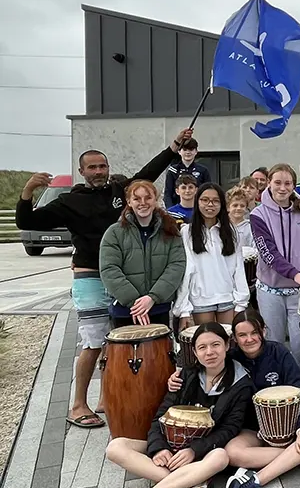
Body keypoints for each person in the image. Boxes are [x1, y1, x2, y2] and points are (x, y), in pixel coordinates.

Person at [16, 127, 191, 428]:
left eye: (103, 166)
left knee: (118, 346)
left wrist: (174, 146)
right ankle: (78, 404)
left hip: (130, 278)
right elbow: (27, 220)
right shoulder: (70, 201)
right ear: (82, 171)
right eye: (92, 167)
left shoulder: (119, 192)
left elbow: (148, 173)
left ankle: (108, 395)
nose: (99, 171)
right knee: (95, 341)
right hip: (92, 276)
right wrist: (28, 191)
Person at [163, 311, 300, 488]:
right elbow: (203, 368)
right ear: (234, 338)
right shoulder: (229, 358)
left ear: (263, 331)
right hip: (253, 428)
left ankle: (257, 479)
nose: (249, 339)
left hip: (289, 422)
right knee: (233, 453)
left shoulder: (279, 353)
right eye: (242, 335)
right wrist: (177, 376)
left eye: (254, 332)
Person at [95, 323, 251, 488]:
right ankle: (195, 483)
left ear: (227, 345)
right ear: (194, 352)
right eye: (202, 347)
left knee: (221, 457)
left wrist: (193, 451)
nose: (210, 352)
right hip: (171, 445)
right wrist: (159, 448)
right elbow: (160, 415)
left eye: (216, 345)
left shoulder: (241, 382)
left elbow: (229, 430)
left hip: (205, 451)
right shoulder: (185, 376)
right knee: (115, 447)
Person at [250, 164, 300, 372]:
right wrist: (297, 275)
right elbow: (269, 254)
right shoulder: (258, 215)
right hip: (270, 290)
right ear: (268, 183)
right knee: (274, 345)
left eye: (287, 183)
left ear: (294, 185)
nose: (282, 188)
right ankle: (276, 393)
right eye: (277, 182)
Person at [99, 180, 187, 329]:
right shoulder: (114, 233)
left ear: (156, 199)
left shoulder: (170, 230)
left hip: (159, 308)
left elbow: (176, 266)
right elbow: (109, 269)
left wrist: (152, 297)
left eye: (148, 197)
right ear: (128, 201)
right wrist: (134, 302)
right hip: (125, 311)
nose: (143, 203)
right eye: (137, 198)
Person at [174, 183, 249, 329]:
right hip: (201, 300)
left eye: (215, 201)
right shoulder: (186, 232)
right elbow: (186, 271)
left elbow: (238, 268)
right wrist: (183, 309)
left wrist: (241, 303)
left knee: (229, 345)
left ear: (222, 204)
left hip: (228, 298)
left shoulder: (231, 231)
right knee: (209, 342)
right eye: (205, 200)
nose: (210, 204)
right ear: (197, 202)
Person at [164, 137, 212, 208]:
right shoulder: (173, 170)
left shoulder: (203, 170)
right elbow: (168, 193)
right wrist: (171, 211)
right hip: (177, 209)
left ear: (196, 151)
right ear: (179, 151)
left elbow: (208, 192)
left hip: (197, 209)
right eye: (185, 149)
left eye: (191, 149)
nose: (188, 152)